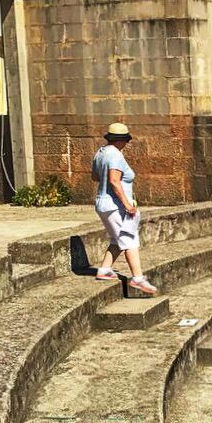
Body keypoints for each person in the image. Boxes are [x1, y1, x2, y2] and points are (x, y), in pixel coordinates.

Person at [90, 123, 158, 297]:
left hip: (102, 203)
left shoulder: (101, 152)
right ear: (122, 140)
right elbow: (114, 180)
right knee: (129, 239)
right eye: (126, 141)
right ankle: (137, 278)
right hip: (115, 205)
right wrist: (127, 204)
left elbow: (95, 177)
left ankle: (104, 270)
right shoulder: (115, 155)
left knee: (117, 238)